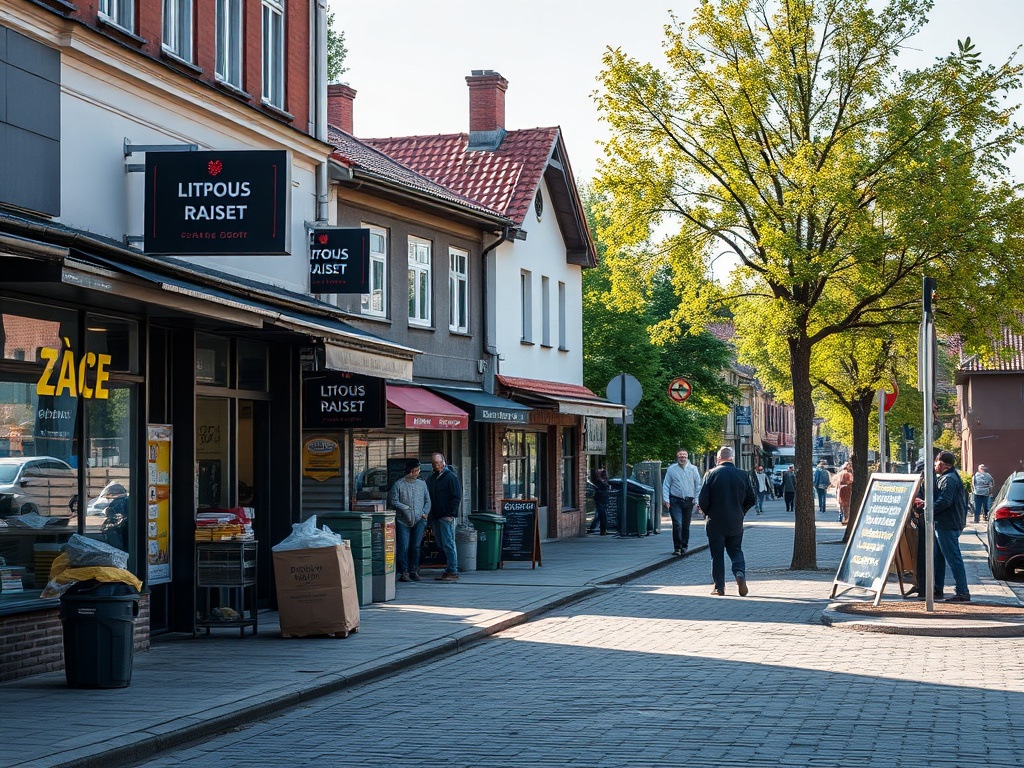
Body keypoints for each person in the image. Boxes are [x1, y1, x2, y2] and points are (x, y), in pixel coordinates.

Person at [913, 451, 971, 602]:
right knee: (938, 557)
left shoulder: (948, 479)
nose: (934, 466)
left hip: (947, 524)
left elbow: (945, 501)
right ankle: (937, 589)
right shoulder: (948, 477)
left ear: (945, 464)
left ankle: (962, 591)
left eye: (936, 463)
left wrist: (926, 507)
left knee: (953, 557)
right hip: (944, 523)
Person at [698, 446, 756, 596]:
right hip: (735, 520)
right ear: (732, 458)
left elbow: (702, 499)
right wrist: (741, 511)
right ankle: (739, 573)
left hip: (715, 521)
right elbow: (752, 498)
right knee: (736, 550)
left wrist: (708, 512)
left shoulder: (710, 474)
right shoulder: (743, 475)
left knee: (717, 554)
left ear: (718, 459)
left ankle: (719, 587)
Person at [390, 458, 431, 582]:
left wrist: (425, 513)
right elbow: (393, 501)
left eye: (417, 471)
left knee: (416, 546)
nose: (416, 473)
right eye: (414, 471)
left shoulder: (422, 484)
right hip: (403, 520)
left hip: (419, 519)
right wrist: (406, 508)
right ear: (409, 471)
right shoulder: (398, 484)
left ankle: (414, 570)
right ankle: (404, 572)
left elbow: (428, 500)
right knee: (403, 546)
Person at [425, 452, 461, 581]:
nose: (436, 465)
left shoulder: (450, 477)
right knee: (441, 543)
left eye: (438, 463)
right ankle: (449, 569)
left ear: (443, 462)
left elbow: (456, 496)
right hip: (435, 516)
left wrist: (450, 514)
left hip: (445, 516)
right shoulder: (433, 477)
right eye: (434, 463)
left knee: (448, 542)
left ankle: (453, 570)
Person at [661, 449, 703, 556]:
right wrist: (666, 499)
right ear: (677, 457)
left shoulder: (693, 469)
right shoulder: (672, 469)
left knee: (685, 525)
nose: (682, 458)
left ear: (687, 457)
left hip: (688, 501)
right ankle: (677, 548)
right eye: (680, 456)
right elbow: (666, 485)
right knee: (677, 524)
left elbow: (698, 485)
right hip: (675, 500)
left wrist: (696, 500)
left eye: (684, 456)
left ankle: (684, 546)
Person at [587, 467, 611, 534]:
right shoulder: (600, 483)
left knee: (600, 515)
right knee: (601, 515)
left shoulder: (602, 483)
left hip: (601, 500)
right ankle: (599, 529)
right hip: (601, 500)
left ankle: (596, 528)